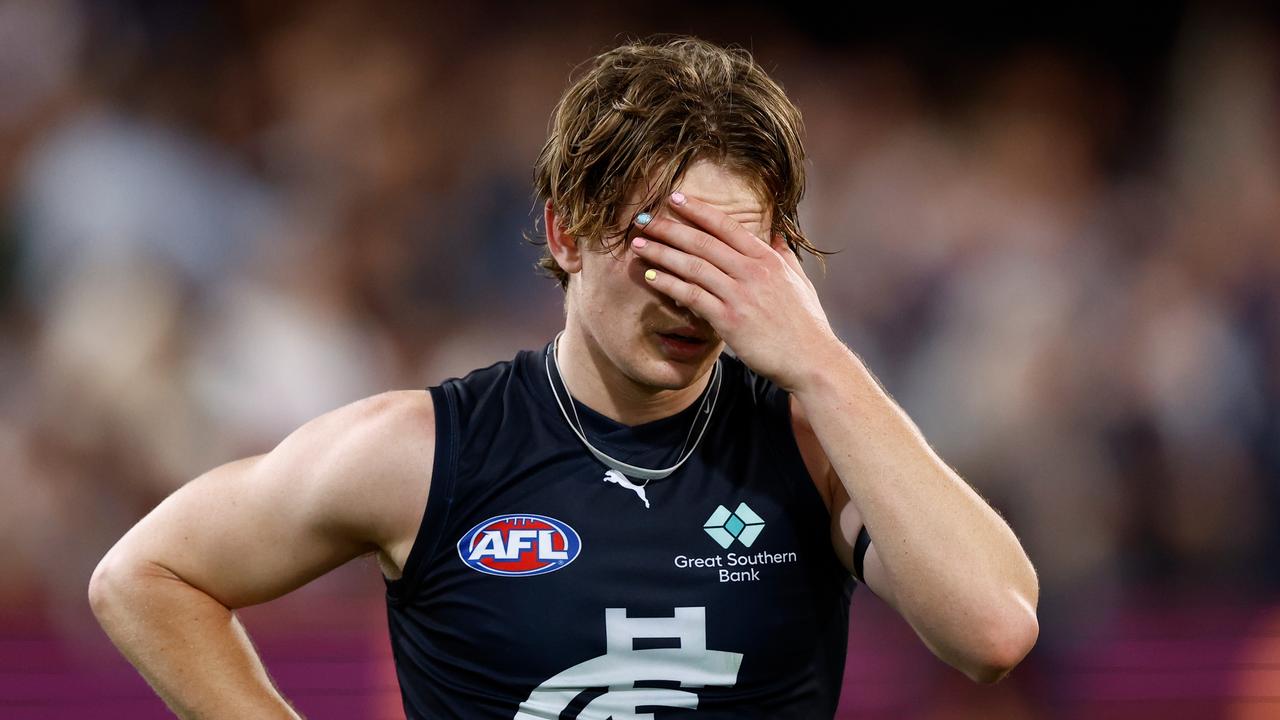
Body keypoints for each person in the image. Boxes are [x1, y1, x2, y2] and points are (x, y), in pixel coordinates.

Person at [89, 36, 1039, 719]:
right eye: (659, 244)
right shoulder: (425, 452)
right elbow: (145, 575)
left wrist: (823, 365)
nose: (691, 292)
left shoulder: (815, 444)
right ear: (563, 231)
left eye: (732, 256)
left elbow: (993, 633)